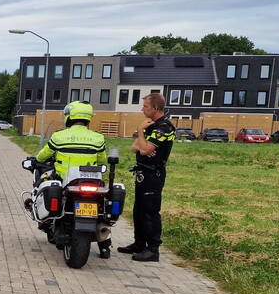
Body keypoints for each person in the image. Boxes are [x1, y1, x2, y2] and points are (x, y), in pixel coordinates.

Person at [34, 101, 112, 258]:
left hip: (67, 181)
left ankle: (48, 222)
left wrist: (36, 159)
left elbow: (42, 156)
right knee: (102, 210)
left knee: (44, 186)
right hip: (91, 182)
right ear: (88, 118)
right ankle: (104, 246)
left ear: (69, 117)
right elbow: (103, 159)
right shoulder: (98, 138)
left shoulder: (59, 136)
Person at [118, 93, 175, 262]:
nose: (142, 109)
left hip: (153, 174)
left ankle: (153, 249)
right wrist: (142, 141)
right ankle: (139, 244)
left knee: (150, 211)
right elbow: (135, 148)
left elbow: (146, 150)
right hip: (142, 172)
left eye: (146, 107)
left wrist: (140, 131)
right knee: (139, 210)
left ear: (156, 108)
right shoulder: (152, 125)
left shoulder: (164, 127)